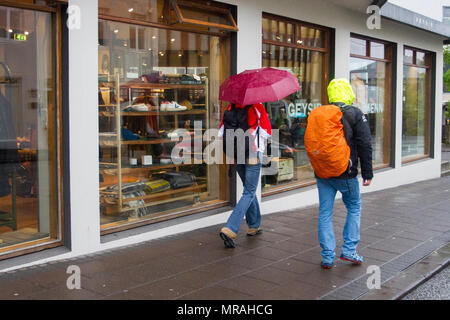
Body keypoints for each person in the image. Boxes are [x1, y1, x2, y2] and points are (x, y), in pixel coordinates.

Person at [307, 79, 373, 269]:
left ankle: (327, 257)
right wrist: (367, 173)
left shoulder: (321, 113)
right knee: (353, 207)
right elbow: (365, 144)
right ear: (348, 93)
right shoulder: (355, 114)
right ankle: (349, 251)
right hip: (345, 173)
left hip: (322, 173)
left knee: (325, 213)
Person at [218, 103, 272, 248]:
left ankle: (254, 225)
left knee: (249, 190)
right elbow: (267, 132)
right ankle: (230, 228)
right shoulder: (257, 107)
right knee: (249, 192)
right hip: (253, 153)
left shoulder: (230, 107)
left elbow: (221, 133)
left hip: (237, 154)